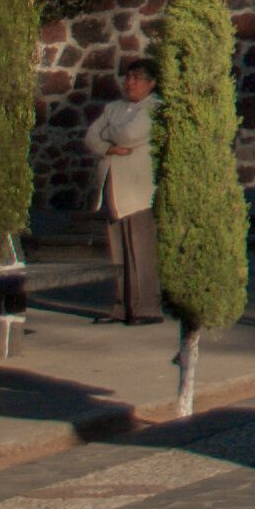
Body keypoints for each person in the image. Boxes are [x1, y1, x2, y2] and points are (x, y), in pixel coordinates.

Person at [85, 60, 161, 325]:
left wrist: (107, 133)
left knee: (140, 249)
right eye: (128, 77)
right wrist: (108, 147)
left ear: (151, 83)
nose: (131, 83)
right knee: (118, 250)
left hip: (137, 189)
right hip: (112, 187)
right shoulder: (114, 107)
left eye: (137, 78)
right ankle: (121, 306)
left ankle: (146, 308)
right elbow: (91, 137)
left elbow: (129, 134)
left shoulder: (153, 108)